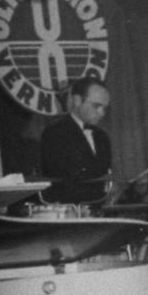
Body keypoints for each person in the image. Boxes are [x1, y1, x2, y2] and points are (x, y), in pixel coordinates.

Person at [40, 76, 112, 204]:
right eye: (96, 106)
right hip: (68, 212)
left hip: (99, 210)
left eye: (104, 108)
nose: (102, 113)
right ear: (77, 101)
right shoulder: (54, 134)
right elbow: (60, 180)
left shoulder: (102, 137)